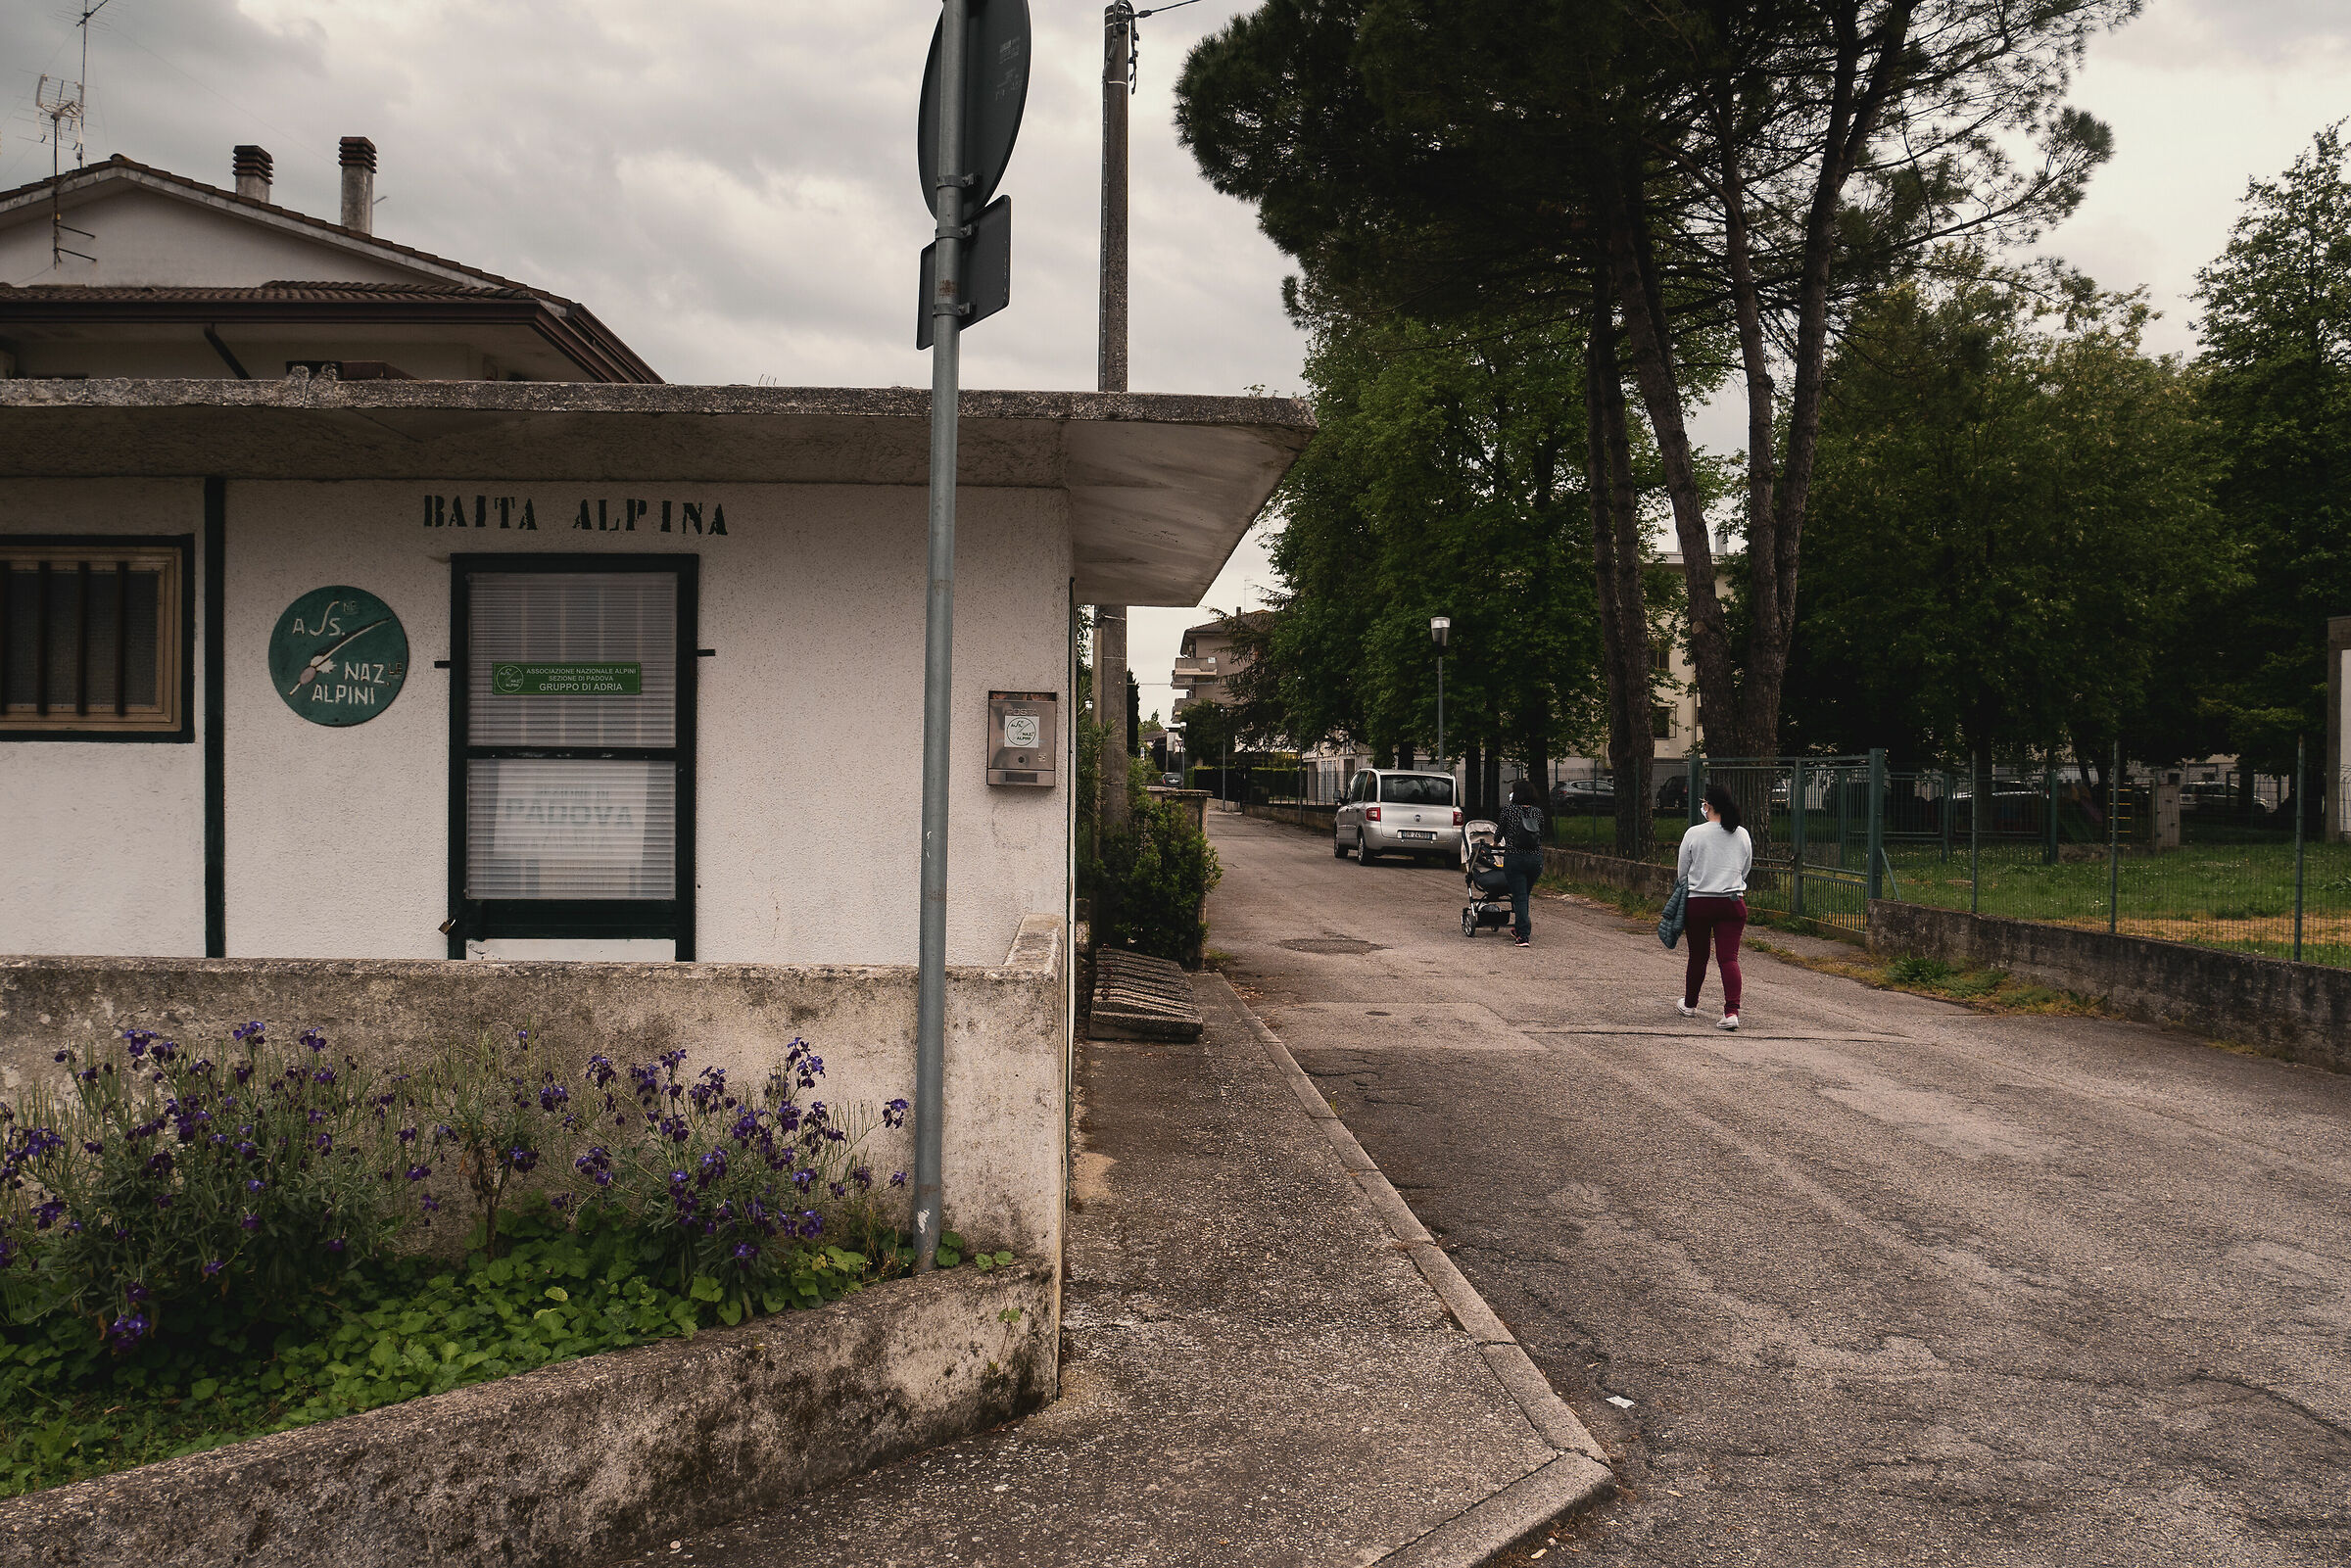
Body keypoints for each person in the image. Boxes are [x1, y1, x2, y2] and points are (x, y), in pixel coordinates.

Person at [1675, 783, 1753, 1029]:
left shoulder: (1694, 833)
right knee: (1728, 958)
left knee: (1698, 956)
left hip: (1698, 902)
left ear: (1707, 805)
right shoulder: (1741, 834)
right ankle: (1731, 1012)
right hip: (1732, 902)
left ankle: (1690, 1004)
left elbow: (1682, 872)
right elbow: (1745, 868)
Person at [1498, 778, 1547, 948]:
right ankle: (1519, 928)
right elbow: (1541, 834)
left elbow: (1499, 832)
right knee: (1524, 895)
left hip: (1515, 859)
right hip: (1535, 860)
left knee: (1519, 897)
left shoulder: (1508, 810)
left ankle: (1523, 935)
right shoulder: (1538, 812)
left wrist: (1495, 843)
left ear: (1516, 794)